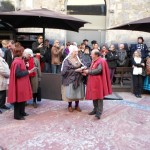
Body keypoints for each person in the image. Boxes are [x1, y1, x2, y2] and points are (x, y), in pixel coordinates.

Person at [7, 46, 36, 120]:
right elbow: (17, 74)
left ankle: (22, 112)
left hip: (22, 83)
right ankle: (17, 115)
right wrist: (28, 71)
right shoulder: (17, 61)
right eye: (23, 51)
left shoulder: (20, 60)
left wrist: (26, 68)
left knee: (22, 98)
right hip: (19, 84)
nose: (24, 53)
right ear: (20, 53)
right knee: (18, 99)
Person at [83, 49, 112, 119]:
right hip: (93, 81)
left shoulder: (101, 61)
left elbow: (99, 70)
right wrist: (86, 72)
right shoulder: (94, 60)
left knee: (99, 97)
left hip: (98, 82)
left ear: (96, 55)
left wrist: (88, 72)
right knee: (94, 95)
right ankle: (95, 109)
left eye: (92, 54)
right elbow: (92, 69)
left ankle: (99, 112)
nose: (90, 55)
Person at [61, 45, 85, 112]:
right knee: (71, 93)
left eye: (77, 51)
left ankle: (77, 105)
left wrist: (83, 68)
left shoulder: (78, 59)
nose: (77, 53)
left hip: (78, 79)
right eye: (75, 52)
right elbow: (64, 72)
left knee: (77, 93)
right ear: (71, 52)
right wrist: (75, 71)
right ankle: (69, 106)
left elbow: (82, 65)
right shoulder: (67, 61)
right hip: (71, 79)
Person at [0, 49, 10, 113]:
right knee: (0, 94)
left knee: (3, 93)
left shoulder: (2, 59)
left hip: (3, 79)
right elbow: (1, 70)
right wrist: (9, 74)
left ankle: (2, 105)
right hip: (1, 78)